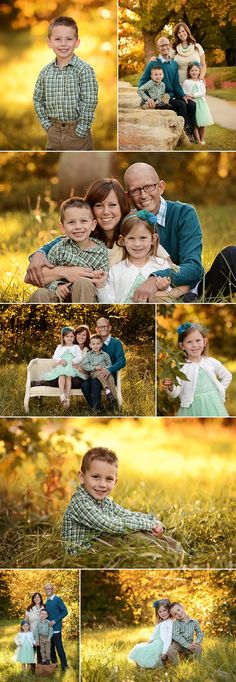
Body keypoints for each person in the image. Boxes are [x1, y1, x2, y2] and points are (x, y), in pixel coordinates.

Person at [61, 446, 181, 555]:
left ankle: (182, 554)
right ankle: (167, 556)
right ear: (82, 477)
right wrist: (147, 525)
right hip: (86, 550)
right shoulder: (80, 503)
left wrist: (154, 522)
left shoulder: (105, 501)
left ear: (115, 482)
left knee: (145, 533)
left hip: (101, 538)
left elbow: (126, 514)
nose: (102, 484)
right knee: (132, 537)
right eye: (95, 477)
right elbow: (109, 524)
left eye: (109, 479)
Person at [24, 178, 129, 299]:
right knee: (40, 294)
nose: (106, 211)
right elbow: (30, 277)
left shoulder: (132, 237)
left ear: (122, 206)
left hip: (99, 296)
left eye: (113, 205)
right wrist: (64, 272)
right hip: (62, 295)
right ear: (90, 209)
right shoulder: (74, 240)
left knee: (83, 284)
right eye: (99, 205)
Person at [33, 16, 98, 151]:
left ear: (77, 42)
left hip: (77, 133)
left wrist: (81, 129)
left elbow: (90, 101)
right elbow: (38, 99)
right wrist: (47, 126)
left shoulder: (84, 70)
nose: (63, 44)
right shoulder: (45, 72)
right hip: (54, 133)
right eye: (57, 39)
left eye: (69, 39)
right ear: (49, 42)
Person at [96, 210, 190, 302]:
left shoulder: (162, 265)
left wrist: (164, 288)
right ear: (123, 240)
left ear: (153, 239)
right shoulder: (116, 270)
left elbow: (170, 299)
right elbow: (108, 302)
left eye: (143, 238)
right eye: (131, 238)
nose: (137, 244)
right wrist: (101, 286)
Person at [28, 197, 109, 303]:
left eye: (83, 221)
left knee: (82, 283)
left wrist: (99, 275)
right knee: (40, 293)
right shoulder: (58, 249)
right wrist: (57, 286)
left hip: (85, 295)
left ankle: (82, 317)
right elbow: (45, 277)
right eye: (71, 222)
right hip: (59, 297)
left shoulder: (101, 251)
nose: (78, 227)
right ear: (62, 227)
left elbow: (104, 279)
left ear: (93, 225)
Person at [163, 322, 232, 417]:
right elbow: (175, 393)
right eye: (189, 342)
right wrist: (170, 387)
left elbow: (227, 376)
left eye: (198, 340)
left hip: (212, 404)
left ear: (204, 342)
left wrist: (219, 389)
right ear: (182, 345)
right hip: (191, 408)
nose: (194, 345)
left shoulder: (211, 362)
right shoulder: (181, 367)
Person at [139, 36, 196, 137]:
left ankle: (192, 132)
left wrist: (183, 95)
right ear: (158, 48)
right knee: (181, 105)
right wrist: (148, 99)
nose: (164, 47)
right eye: (162, 45)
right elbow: (142, 83)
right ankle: (186, 133)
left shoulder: (174, 64)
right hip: (160, 97)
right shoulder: (153, 63)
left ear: (170, 46)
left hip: (171, 95)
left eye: (166, 45)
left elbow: (176, 84)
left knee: (191, 104)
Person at [41, 326, 86, 408]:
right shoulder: (60, 347)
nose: (69, 338)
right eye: (67, 336)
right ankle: (62, 395)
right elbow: (54, 357)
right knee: (61, 376)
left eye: (71, 336)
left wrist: (73, 361)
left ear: (74, 337)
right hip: (62, 366)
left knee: (68, 378)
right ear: (63, 337)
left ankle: (68, 398)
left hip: (71, 366)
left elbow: (80, 357)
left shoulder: (76, 347)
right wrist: (60, 360)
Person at [128, 599, 173, 669]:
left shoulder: (169, 622)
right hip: (155, 642)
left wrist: (164, 652)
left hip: (161, 644)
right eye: (160, 611)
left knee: (149, 652)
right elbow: (155, 633)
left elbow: (168, 638)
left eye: (164, 610)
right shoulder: (160, 622)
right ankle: (140, 666)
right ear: (157, 613)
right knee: (141, 647)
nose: (163, 613)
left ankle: (145, 666)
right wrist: (150, 640)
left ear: (169, 610)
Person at [80, 334, 118, 408]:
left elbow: (109, 364)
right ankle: (107, 390)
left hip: (104, 373)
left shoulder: (105, 355)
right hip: (94, 373)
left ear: (101, 344)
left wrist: (105, 368)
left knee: (110, 377)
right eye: (93, 344)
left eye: (98, 344)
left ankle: (113, 399)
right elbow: (84, 365)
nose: (95, 346)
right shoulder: (88, 355)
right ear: (90, 345)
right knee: (100, 374)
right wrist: (94, 368)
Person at [183, 63, 213, 145]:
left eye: (196, 70)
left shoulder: (201, 82)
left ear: (199, 71)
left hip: (201, 104)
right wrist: (187, 96)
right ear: (189, 72)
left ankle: (202, 139)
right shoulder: (186, 82)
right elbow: (184, 92)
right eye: (192, 70)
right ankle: (198, 140)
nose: (194, 72)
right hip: (192, 104)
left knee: (202, 124)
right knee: (195, 123)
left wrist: (193, 95)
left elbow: (203, 92)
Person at [44, 583, 68, 672]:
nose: (48, 590)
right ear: (45, 590)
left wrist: (55, 621)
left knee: (59, 648)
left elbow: (65, 612)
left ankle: (65, 667)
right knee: (51, 649)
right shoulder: (47, 601)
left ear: (53, 589)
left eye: (50, 588)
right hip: (48, 630)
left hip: (56, 629)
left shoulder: (57, 599)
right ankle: (54, 665)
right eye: (46, 589)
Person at [25, 591, 45, 667]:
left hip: (42, 634)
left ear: (41, 598)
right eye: (35, 597)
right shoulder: (29, 609)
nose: (37, 598)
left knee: (40, 652)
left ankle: (40, 668)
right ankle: (32, 669)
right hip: (31, 634)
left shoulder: (44, 607)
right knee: (32, 652)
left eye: (38, 597)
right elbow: (25, 622)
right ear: (33, 599)